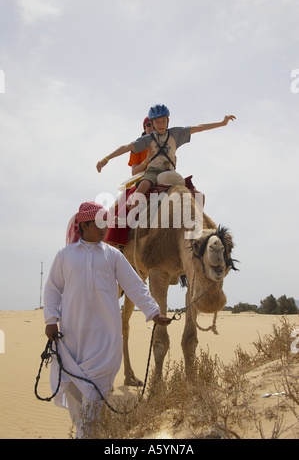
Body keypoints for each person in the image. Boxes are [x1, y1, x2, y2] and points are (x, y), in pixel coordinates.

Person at [43, 200, 172, 439]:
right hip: (72, 338)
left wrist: (153, 311)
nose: (105, 229)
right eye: (99, 224)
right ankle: (85, 430)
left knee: (97, 390)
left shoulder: (112, 255)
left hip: (106, 338)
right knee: (73, 388)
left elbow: (135, 285)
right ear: (84, 225)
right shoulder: (64, 256)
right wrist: (51, 319)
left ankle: (87, 433)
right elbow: (52, 290)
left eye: (106, 223)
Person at [96, 104, 236, 209]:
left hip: (170, 172)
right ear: (152, 123)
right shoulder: (148, 139)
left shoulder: (176, 134)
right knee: (141, 188)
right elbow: (127, 147)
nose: (160, 124)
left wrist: (222, 123)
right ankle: (131, 226)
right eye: (157, 122)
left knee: (199, 196)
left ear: (168, 120)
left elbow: (200, 127)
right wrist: (106, 159)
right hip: (153, 172)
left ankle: (197, 227)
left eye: (163, 121)